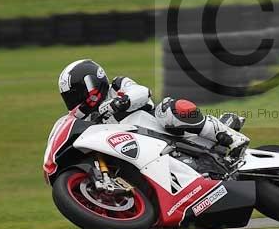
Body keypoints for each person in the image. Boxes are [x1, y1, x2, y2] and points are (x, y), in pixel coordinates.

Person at [57, 59, 249, 157]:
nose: (75, 101)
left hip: (168, 132)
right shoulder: (87, 121)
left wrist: (118, 103)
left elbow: (141, 92)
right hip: (142, 152)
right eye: (70, 98)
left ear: (91, 84)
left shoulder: (117, 85)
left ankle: (230, 137)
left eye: (76, 94)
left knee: (166, 108)